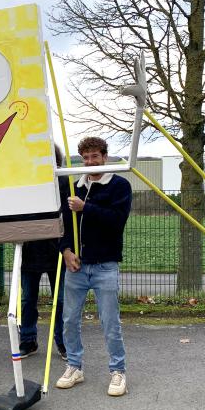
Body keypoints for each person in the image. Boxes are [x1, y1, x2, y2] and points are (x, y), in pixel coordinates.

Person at [56, 137, 132, 396]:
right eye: (85, 158)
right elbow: (64, 225)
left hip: (105, 265)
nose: (90, 162)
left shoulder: (119, 185)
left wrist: (85, 207)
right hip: (76, 267)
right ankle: (74, 366)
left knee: (110, 321)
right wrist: (66, 251)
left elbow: (117, 221)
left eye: (94, 157)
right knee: (69, 320)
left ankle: (118, 371)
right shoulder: (73, 187)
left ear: (105, 157)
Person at [19, 145, 69, 361]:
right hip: (30, 251)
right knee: (27, 300)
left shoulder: (64, 181)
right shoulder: (26, 182)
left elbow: (68, 215)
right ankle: (28, 340)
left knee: (61, 300)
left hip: (58, 251)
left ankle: (63, 342)